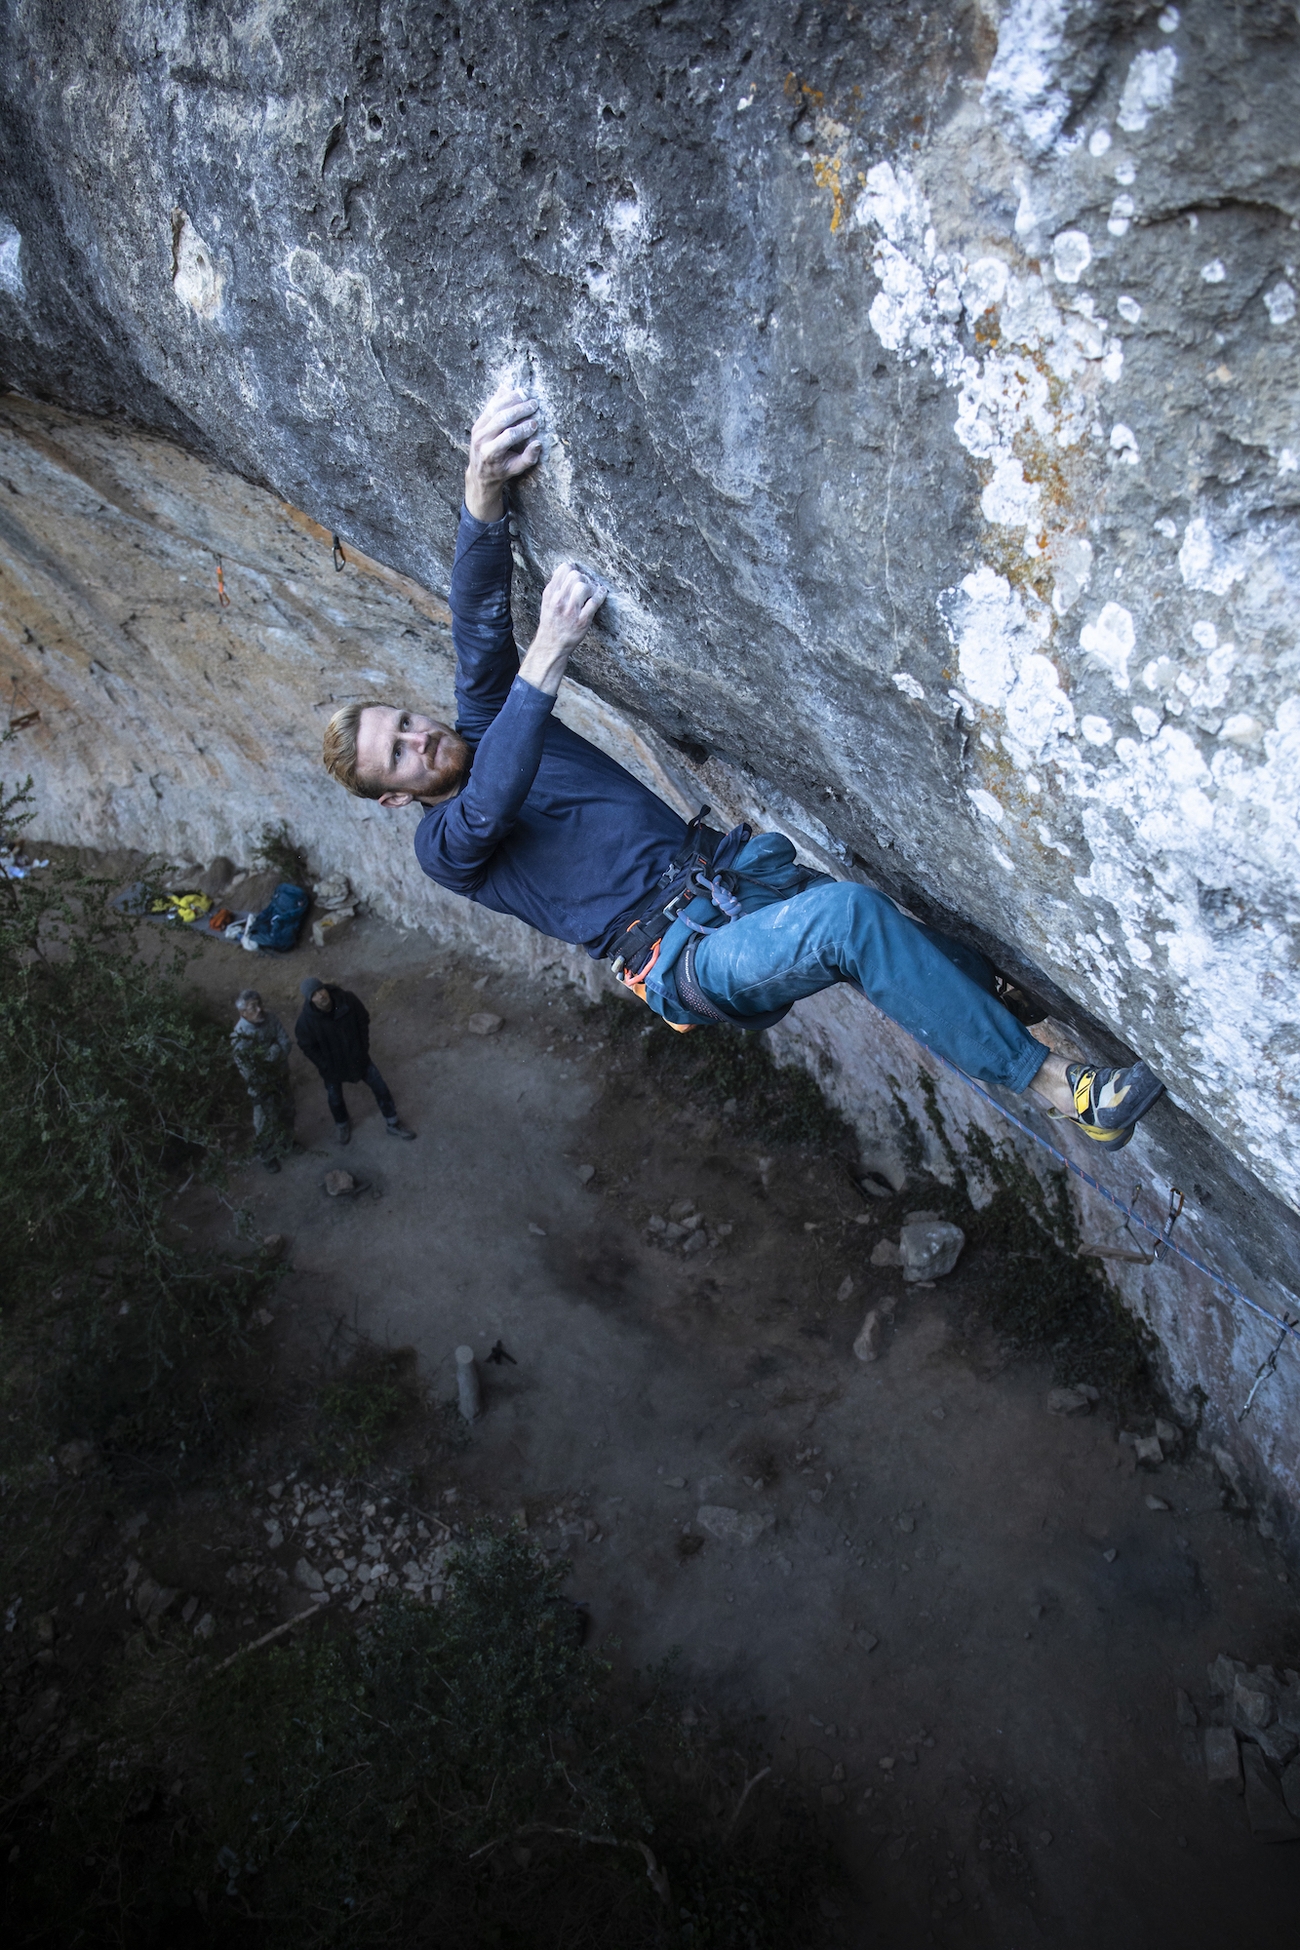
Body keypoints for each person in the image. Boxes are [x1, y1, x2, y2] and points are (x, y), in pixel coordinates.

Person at [320, 383, 1162, 1153]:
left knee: (946, 955)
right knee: (847, 921)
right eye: (398, 754)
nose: (419, 738)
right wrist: (547, 653)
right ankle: (1068, 1092)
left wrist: (480, 486)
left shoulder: (483, 714)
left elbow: (472, 618)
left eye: (404, 722)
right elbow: (493, 798)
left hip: (733, 882)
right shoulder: (444, 848)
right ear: (395, 797)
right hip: (686, 960)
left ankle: (1003, 1011)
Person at [294, 976, 416, 1145]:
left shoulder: (347, 1000)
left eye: (320, 990)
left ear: (326, 988)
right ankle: (342, 1124)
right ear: (310, 1000)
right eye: (314, 994)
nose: (320, 996)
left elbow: (363, 1019)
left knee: (381, 1088)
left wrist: (363, 1047)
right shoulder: (306, 1022)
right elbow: (306, 1046)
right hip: (333, 1066)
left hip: (357, 1057)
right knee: (335, 1098)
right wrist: (324, 1065)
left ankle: (393, 1123)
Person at [231, 988, 294, 1172]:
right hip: (262, 1088)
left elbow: (286, 1043)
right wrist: (274, 1052)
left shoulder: (271, 1018)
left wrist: (268, 1057)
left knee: (287, 1111)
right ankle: (267, 1156)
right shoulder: (239, 1037)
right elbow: (250, 1071)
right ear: (243, 1013)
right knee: (264, 1123)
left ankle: (286, 1144)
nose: (259, 1009)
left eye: (259, 1004)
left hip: (281, 1077)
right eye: (253, 1007)